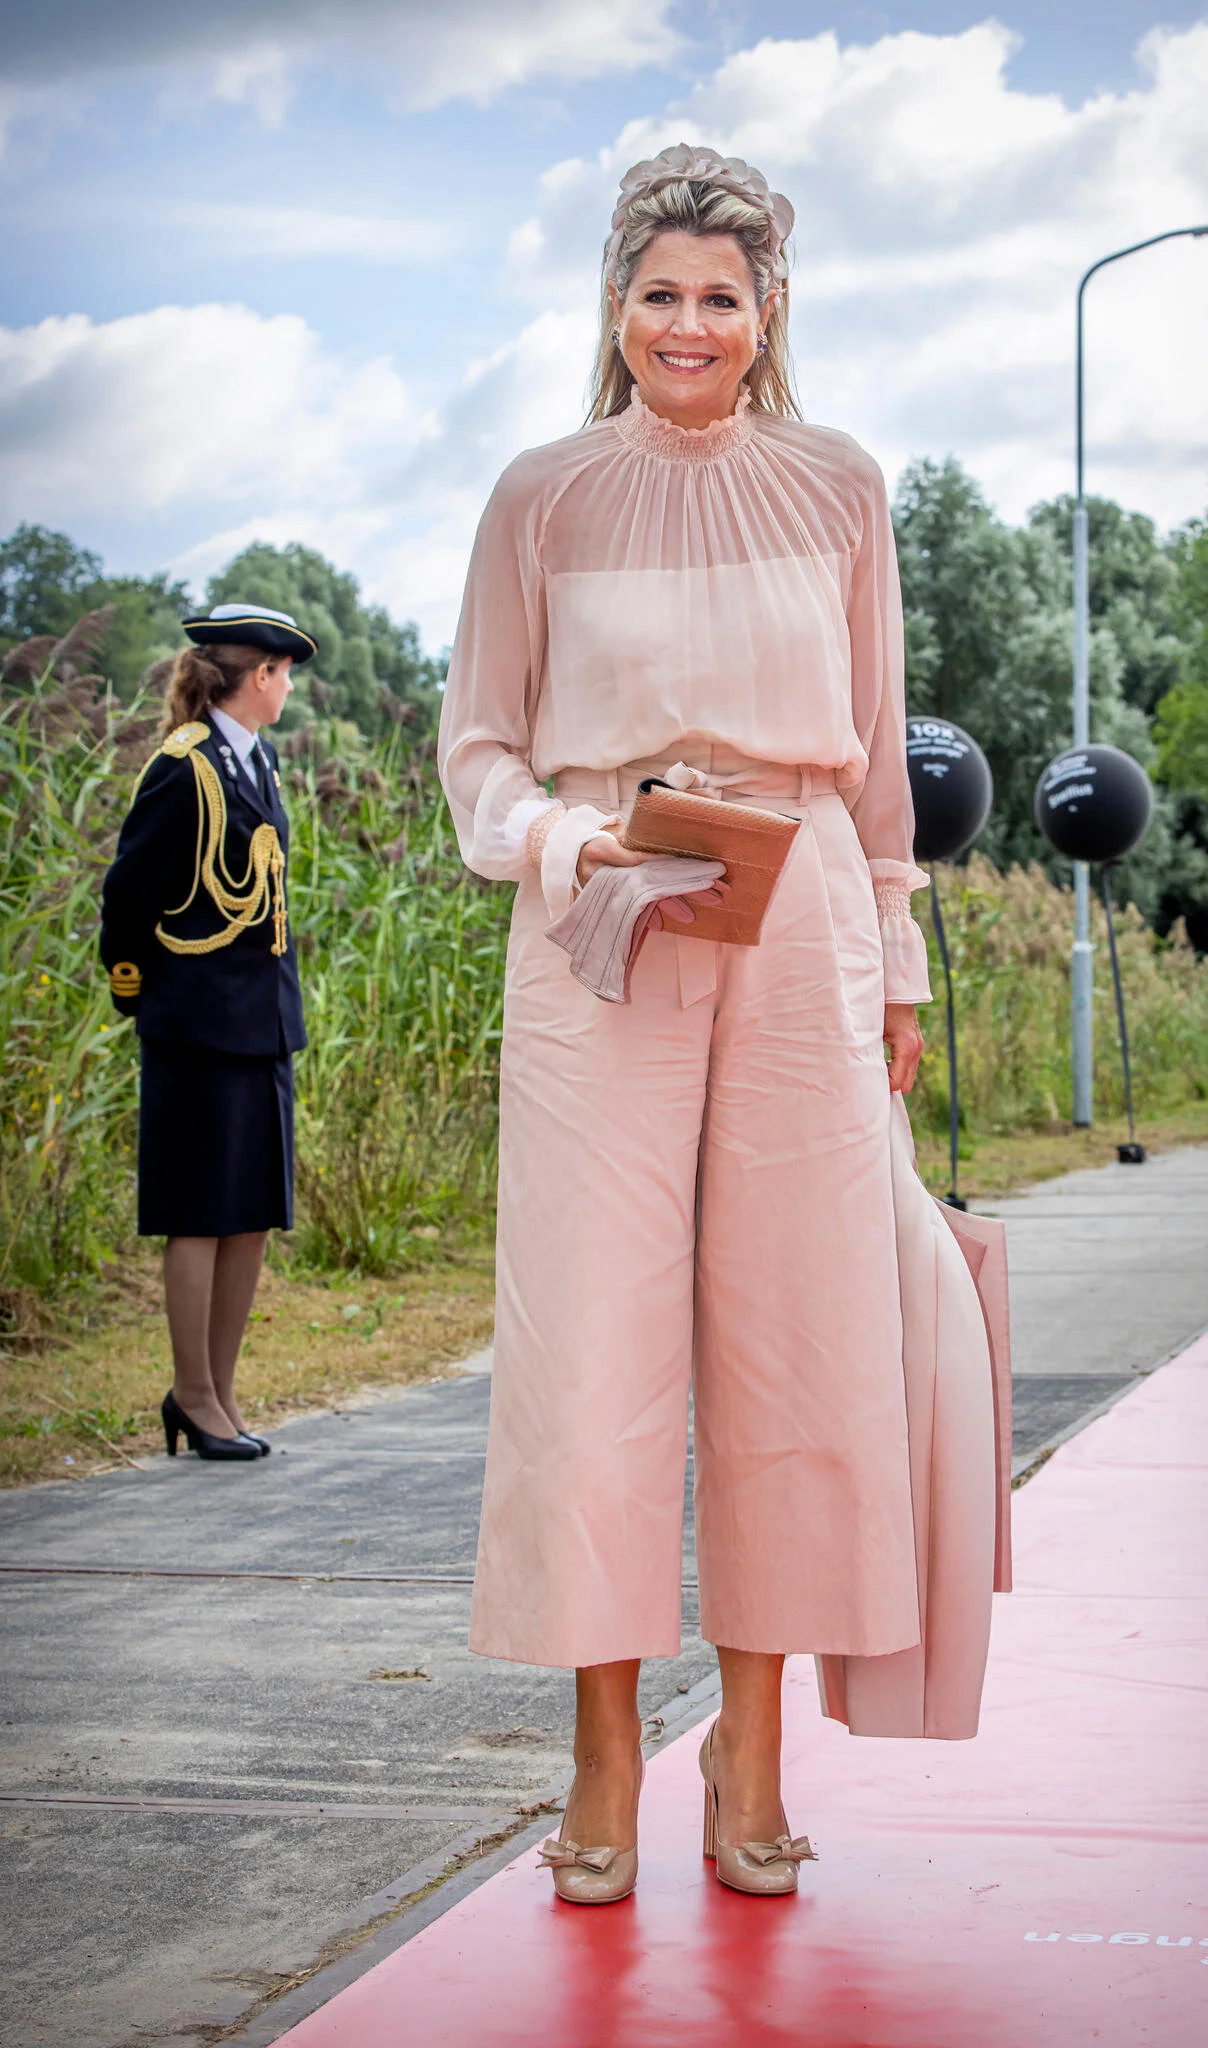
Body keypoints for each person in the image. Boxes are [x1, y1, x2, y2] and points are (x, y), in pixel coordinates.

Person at [438, 144, 982, 1905]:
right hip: (604, 892)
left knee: (799, 1333)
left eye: (721, 298)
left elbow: (882, 740)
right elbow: (480, 748)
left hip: (805, 901)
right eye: (660, 294)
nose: (690, 324)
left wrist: (894, 960)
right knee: (593, 1333)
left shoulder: (839, 485)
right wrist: (557, 837)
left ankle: (751, 1755)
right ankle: (601, 1755)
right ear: (617, 309)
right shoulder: (542, 494)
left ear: (768, 314)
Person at [100, 603, 315, 1463]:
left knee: (251, 1216)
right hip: (194, 1025)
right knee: (197, 1215)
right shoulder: (183, 767)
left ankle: (219, 1395)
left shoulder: (254, 760)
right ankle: (191, 1393)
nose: (289, 686)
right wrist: (141, 997)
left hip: (261, 1024)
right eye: (284, 672)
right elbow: (127, 894)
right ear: (259, 675)